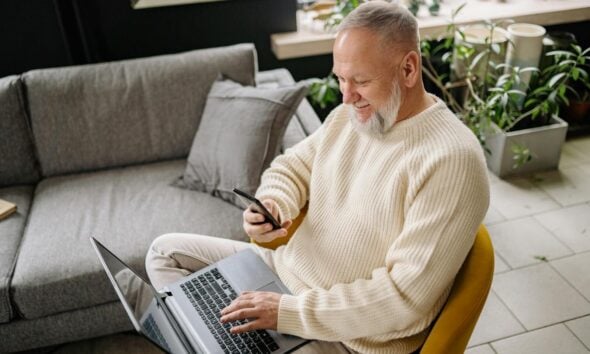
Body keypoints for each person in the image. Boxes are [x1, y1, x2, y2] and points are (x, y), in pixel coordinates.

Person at [145, 1, 490, 353]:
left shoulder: (452, 161)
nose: (347, 95)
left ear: (408, 68)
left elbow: (403, 300)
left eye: (361, 80)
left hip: (346, 337)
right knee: (165, 252)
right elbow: (292, 166)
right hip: (283, 276)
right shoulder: (351, 116)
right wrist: (275, 201)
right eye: (341, 78)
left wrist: (286, 312)